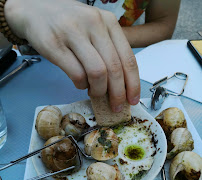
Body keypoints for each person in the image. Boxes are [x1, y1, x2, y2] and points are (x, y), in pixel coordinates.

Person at [0, 0, 180, 112]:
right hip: (27, 79)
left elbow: (163, 24)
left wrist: (100, 37)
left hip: (123, 73)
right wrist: (10, 12)